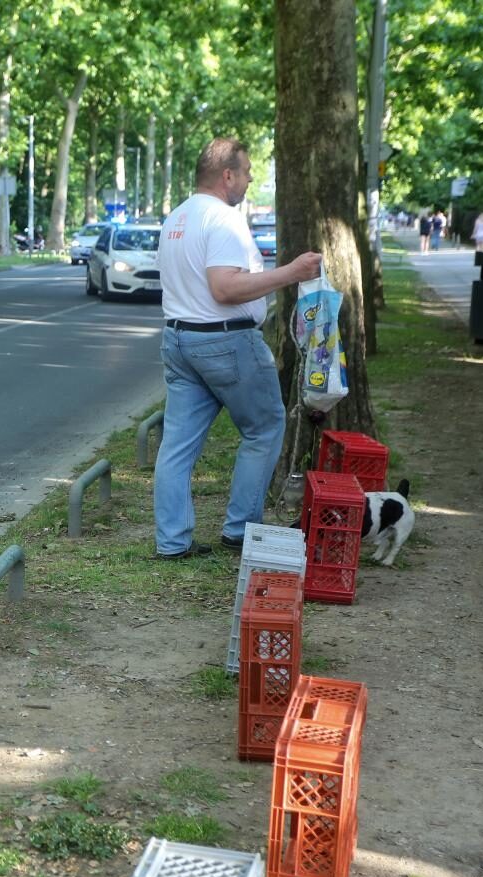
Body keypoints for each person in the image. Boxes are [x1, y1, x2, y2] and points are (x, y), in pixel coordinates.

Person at [152, 137, 323, 560]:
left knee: (176, 446)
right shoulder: (223, 219)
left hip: (179, 339)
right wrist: (293, 272)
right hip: (225, 340)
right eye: (246, 172)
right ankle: (241, 531)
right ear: (227, 175)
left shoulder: (177, 217)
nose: (250, 180)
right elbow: (224, 288)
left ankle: (172, 542)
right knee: (264, 428)